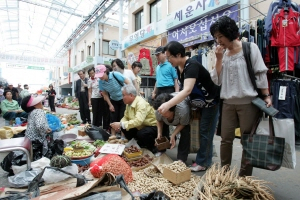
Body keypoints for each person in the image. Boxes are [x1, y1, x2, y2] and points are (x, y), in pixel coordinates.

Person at [210, 16, 271, 176]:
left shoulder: (250, 48)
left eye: (220, 36)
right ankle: (224, 174)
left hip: (248, 103)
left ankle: (244, 177)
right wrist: (218, 59)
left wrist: (266, 96)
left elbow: (260, 74)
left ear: (229, 32)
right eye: (216, 37)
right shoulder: (222, 54)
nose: (218, 41)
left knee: (247, 141)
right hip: (228, 103)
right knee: (226, 139)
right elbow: (217, 80)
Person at [157, 41, 220, 172]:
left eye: (170, 57)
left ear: (179, 54)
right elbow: (182, 89)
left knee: (205, 132)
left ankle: (203, 162)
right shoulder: (179, 68)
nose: (168, 60)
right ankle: (204, 159)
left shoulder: (191, 66)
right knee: (203, 132)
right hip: (199, 103)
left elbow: (187, 90)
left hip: (211, 102)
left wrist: (168, 104)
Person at [110, 84, 157, 152]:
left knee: (142, 133)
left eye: (123, 95)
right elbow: (125, 117)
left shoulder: (141, 103)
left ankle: (152, 147)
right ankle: (138, 142)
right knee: (124, 127)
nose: (122, 97)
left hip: (151, 126)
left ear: (131, 95)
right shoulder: (129, 104)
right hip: (140, 126)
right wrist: (120, 124)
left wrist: (121, 124)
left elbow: (138, 121)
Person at [153, 93, 191, 163]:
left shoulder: (183, 110)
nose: (160, 113)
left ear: (171, 109)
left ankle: (181, 158)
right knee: (161, 133)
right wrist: (159, 133)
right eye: (159, 112)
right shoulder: (159, 110)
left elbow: (183, 124)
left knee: (185, 132)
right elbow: (159, 120)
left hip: (182, 120)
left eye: (163, 112)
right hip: (172, 117)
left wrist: (173, 134)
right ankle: (161, 150)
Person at [97, 65, 130, 135]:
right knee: (113, 119)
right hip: (113, 99)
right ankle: (113, 137)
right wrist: (110, 105)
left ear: (106, 72)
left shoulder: (115, 75)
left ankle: (123, 137)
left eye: (101, 75)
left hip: (123, 99)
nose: (100, 77)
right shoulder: (101, 82)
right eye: (99, 76)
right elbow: (105, 94)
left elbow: (128, 82)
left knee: (122, 118)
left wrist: (128, 95)